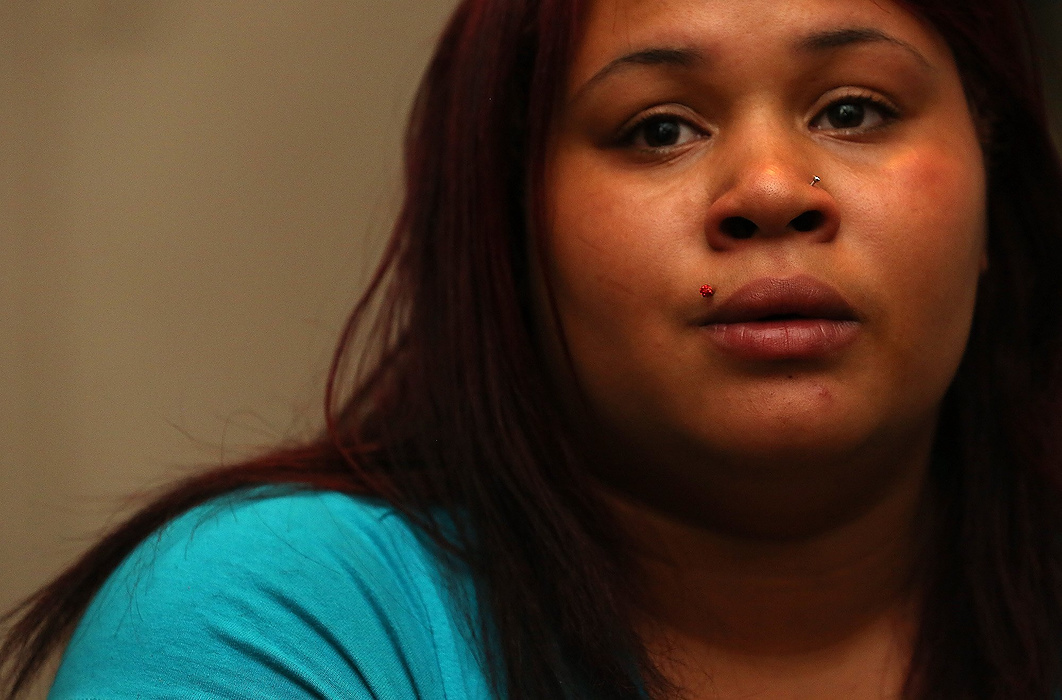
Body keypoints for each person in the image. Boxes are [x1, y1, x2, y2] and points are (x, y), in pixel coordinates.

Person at [5, 0, 1062, 697]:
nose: (774, 190)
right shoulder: (276, 622)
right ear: (508, 234)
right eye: (658, 128)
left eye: (853, 108)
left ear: (990, 198)